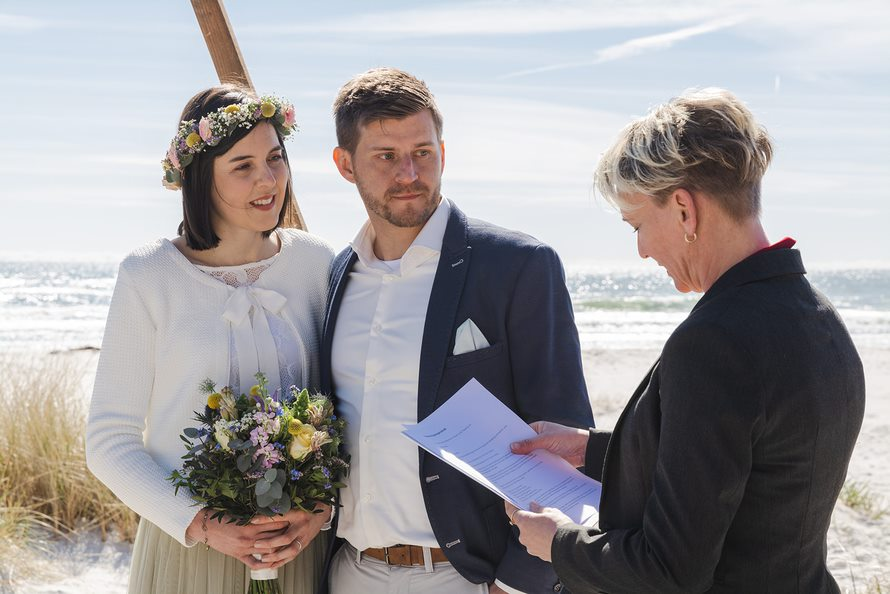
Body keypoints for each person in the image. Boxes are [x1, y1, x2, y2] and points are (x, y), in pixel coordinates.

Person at [504, 88, 866, 593]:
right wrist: (593, 449)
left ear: (682, 210)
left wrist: (557, 543)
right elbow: (747, 468)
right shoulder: (819, 317)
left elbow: (671, 571)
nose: (642, 251)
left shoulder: (716, 342)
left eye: (637, 226)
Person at [319, 67, 595, 594]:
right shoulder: (338, 275)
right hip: (350, 571)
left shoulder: (517, 266)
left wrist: (515, 583)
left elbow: (565, 435)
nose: (409, 173)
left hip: (467, 579)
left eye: (424, 152)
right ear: (344, 165)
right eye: (385, 156)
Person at [86, 85, 335, 594]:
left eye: (275, 158)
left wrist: (323, 509)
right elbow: (109, 441)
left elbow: (350, 408)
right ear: (201, 178)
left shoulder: (316, 264)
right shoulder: (149, 275)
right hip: (188, 553)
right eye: (242, 166)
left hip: (303, 549)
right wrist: (200, 523)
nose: (267, 180)